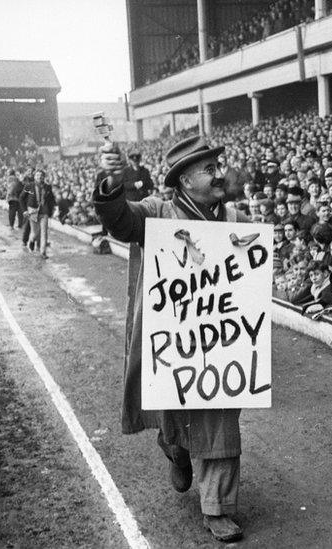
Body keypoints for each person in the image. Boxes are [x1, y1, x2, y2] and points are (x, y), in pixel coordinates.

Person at [95, 137, 246, 542]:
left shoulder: (233, 218)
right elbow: (121, 221)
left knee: (221, 422)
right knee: (175, 419)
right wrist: (111, 184)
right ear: (183, 181)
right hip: (169, 342)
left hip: (217, 343)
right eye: (209, 169)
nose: (219, 174)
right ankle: (173, 448)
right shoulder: (159, 213)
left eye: (218, 165)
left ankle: (216, 508)